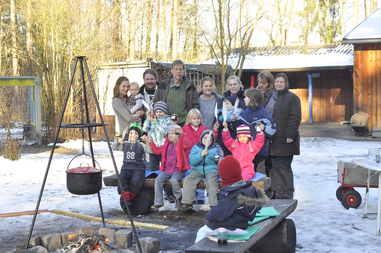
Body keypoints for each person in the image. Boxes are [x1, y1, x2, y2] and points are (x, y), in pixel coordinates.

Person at [195, 155, 268, 243]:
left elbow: (220, 213)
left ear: (223, 175)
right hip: (241, 223)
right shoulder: (248, 187)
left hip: (230, 227)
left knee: (201, 232)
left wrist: (209, 216)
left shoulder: (231, 194)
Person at [267, 73, 301, 199]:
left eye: (281, 82)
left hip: (286, 139)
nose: (279, 84)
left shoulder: (292, 98)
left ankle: (287, 194)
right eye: (277, 82)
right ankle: (278, 193)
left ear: (286, 83)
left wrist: (290, 135)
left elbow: (295, 117)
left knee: (284, 167)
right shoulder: (271, 97)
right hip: (274, 139)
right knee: (275, 167)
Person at [232, 89, 277, 175]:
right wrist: (234, 122)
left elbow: (273, 130)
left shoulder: (264, 113)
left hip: (260, 151)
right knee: (245, 173)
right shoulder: (243, 114)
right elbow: (236, 130)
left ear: (251, 99)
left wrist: (264, 127)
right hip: (245, 152)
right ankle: (246, 188)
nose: (244, 99)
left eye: (246, 97)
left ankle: (261, 189)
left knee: (260, 174)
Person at [149, 125, 192, 209]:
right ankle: (158, 202)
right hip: (167, 170)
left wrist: (182, 135)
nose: (170, 135)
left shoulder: (181, 144)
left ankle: (179, 198)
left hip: (178, 170)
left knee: (174, 180)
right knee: (158, 180)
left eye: (172, 133)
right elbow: (157, 151)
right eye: (169, 134)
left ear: (178, 135)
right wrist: (151, 143)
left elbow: (188, 144)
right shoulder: (166, 145)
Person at [179, 130, 224, 211]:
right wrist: (201, 154)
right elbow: (192, 161)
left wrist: (219, 160)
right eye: (205, 138)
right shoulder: (196, 147)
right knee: (188, 180)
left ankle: (214, 204)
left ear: (212, 140)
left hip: (211, 169)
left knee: (211, 182)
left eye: (209, 139)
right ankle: (187, 203)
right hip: (198, 170)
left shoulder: (216, 147)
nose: (207, 140)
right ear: (201, 138)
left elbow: (221, 157)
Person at [112, 123, 151, 208]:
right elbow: (114, 147)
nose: (133, 135)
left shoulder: (141, 145)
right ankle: (126, 199)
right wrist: (117, 140)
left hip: (138, 168)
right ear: (128, 134)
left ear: (139, 135)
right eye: (131, 133)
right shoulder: (125, 144)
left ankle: (130, 198)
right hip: (126, 167)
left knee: (137, 180)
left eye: (136, 134)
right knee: (121, 179)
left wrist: (147, 142)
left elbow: (150, 150)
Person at [153, 60, 200, 127]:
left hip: (185, 124)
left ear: (183, 71)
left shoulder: (190, 86)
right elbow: (156, 103)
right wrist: (159, 117)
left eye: (180, 69)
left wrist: (192, 120)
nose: (178, 72)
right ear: (171, 70)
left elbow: (196, 105)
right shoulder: (163, 85)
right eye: (176, 69)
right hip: (166, 123)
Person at [182, 108, 209, 204]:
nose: (196, 120)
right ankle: (191, 196)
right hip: (190, 159)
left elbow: (210, 139)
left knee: (201, 176)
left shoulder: (204, 129)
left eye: (198, 118)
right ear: (189, 119)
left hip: (202, 158)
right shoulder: (184, 130)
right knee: (190, 177)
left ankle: (200, 196)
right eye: (194, 118)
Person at [142, 101, 172, 171]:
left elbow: (164, 132)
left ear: (165, 112)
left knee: (165, 168)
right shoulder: (153, 119)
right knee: (153, 169)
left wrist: (155, 123)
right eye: (157, 112)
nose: (158, 113)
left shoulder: (168, 121)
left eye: (160, 112)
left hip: (163, 148)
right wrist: (148, 119)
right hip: (153, 147)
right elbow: (145, 129)